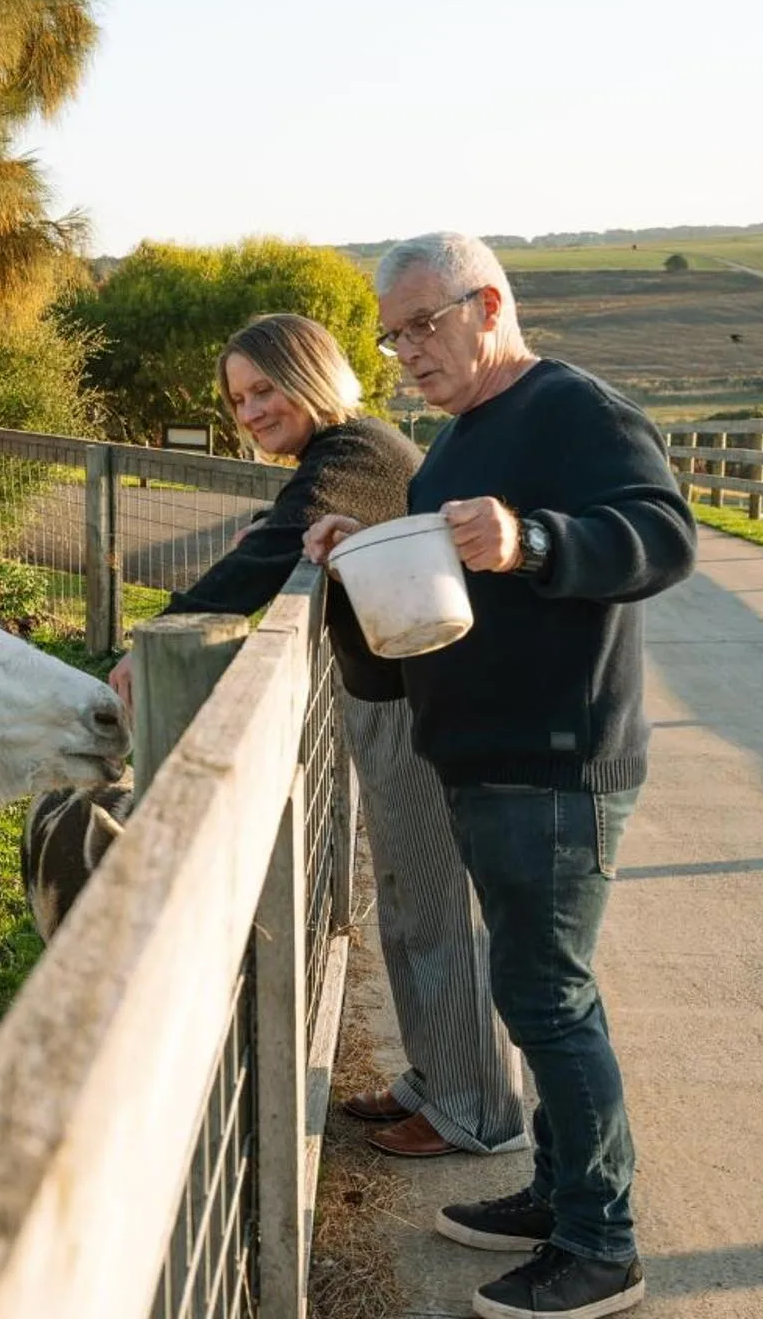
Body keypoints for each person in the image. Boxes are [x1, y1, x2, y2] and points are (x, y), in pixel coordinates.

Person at [305, 233, 696, 1319]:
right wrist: (366, 538)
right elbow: (447, 553)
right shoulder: (463, 434)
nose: (404, 352)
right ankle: (557, 1194)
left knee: (546, 997)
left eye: (420, 325)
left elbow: (662, 537)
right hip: (487, 759)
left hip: (556, 760)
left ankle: (600, 1245)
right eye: (390, 337)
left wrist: (531, 540)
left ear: (487, 305)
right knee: (538, 993)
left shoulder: (574, 408)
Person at [110, 312, 530, 1162]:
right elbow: (295, 532)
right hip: (395, 699)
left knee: (431, 903)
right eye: (236, 399)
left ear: (308, 375)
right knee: (412, 900)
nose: (250, 410)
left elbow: (274, 547)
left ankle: (477, 1110)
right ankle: (437, 1077)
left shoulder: (352, 453)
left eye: (264, 387)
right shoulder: (340, 458)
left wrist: (154, 639)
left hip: (418, 707)